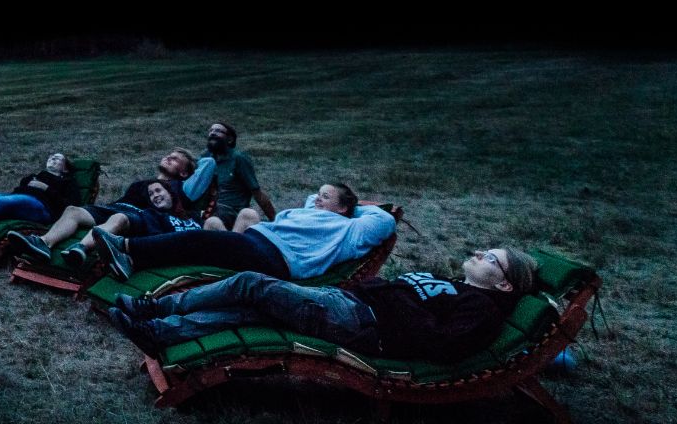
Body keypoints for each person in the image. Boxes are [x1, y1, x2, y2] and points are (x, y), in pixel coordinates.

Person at [101, 246, 540, 362]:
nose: (481, 253)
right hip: (347, 304)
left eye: (491, 258)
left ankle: (155, 309)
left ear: (504, 285)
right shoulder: (452, 286)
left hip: (360, 324)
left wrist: (392, 297)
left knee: (252, 285)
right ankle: (160, 334)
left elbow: (438, 343)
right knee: (253, 311)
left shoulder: (481, 310)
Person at [87, 182, 396, 283]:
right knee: (201, 247)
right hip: (258, 242)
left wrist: (355, 207)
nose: (317, 198)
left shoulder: (351, 227)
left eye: (325, 197)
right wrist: (323, 202)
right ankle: (133, 261)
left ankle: (126, 247)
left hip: (278, 260)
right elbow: (309, 204)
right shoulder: (309, 213)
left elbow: (385, 220)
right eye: (318, 193)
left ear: (344, 208)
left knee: (201, 241)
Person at [14, 149, 202, 266]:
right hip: (114, 207)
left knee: (118, 217)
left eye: (176, 159)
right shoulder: (143, 183)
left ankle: (82, 248)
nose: (169, 158)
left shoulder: (181, 188)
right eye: (169, 155)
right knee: (73, 210)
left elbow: (207, 167)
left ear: (184, 172)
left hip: (137, 217)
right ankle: (44, 243)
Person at [195, 122, 276, 230]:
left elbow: (257, 193)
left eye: (218, 131)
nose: (213, 133)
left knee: (210, 220)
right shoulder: (205, 158)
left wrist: (275, 220)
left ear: (230, 139)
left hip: (230, 211)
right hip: (206, 208)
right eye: (211, 131)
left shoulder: (238, 159)